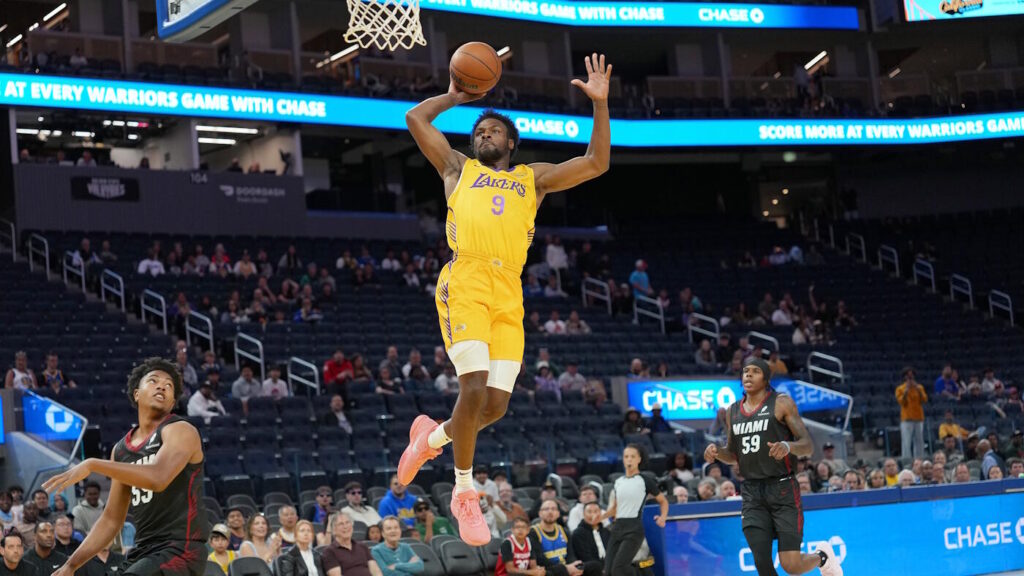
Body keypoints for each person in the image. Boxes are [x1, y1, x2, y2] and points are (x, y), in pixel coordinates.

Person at [398, 53, 613, 546]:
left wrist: (599, 105)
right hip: (466, 278)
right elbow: (414, 119)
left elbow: (597, 162)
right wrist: (456, 95)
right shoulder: (456, 168)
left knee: (492, 407)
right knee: (471, 386)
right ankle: (464, 492)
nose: (484, 136)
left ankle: (429, 440)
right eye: (479, 132)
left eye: (494, 131)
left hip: (508, 288)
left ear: (511, 143)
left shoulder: (531, 178)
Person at [43, 357, 208, 576]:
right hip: (144, 550)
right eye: (154, 380)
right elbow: (111, 520)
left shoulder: (180, 430)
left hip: (181, 547)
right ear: (136, 394)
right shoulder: (121, 450)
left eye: (169, 386)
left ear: (172, 402)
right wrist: (70, 566)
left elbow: (158, 477)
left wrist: (93, 463)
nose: (162, 386)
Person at [704, 357, 843, 576]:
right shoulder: (732, 411)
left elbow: (807, 446)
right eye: (745, 371)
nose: (748, 374)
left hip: (783, 489)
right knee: (762, 562)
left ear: (766, 378)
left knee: (791, 566)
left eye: (755, 371)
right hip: (752, 493)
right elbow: (733, 454)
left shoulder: (781, 403)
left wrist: (788, 446)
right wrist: (716, 453)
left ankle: (823, 557)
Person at [601, 445, 668, 576]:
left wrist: (663, 517)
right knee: (608, 571)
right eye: (626, 456)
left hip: (633, 527)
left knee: (619, 569)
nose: (629, 459)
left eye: (633, 456)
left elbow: (663, 501)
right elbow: (614, 508)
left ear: (639, 459)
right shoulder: (618, 481)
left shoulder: (644, 480)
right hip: (617, 527)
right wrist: (601, 517)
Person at [895, 367, 928, 459]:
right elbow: (901, 402)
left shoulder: (919, 387)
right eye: (908, 376)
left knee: (919, 441)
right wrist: (906, 391)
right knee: (906, 441)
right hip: (907, 418)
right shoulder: (900, 389)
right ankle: (907, 461)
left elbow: (925, 399)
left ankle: (919, 459)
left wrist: (918, 389)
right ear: (905, 377)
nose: (910, 378)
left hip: (918, 417)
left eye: (912, 376)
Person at [569, 503, 609, 569]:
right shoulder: (578, 533)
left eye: (596, 511)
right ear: (584, 514)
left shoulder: (606, 532)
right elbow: (584, 557)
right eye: (589, 512)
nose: (593, 515)